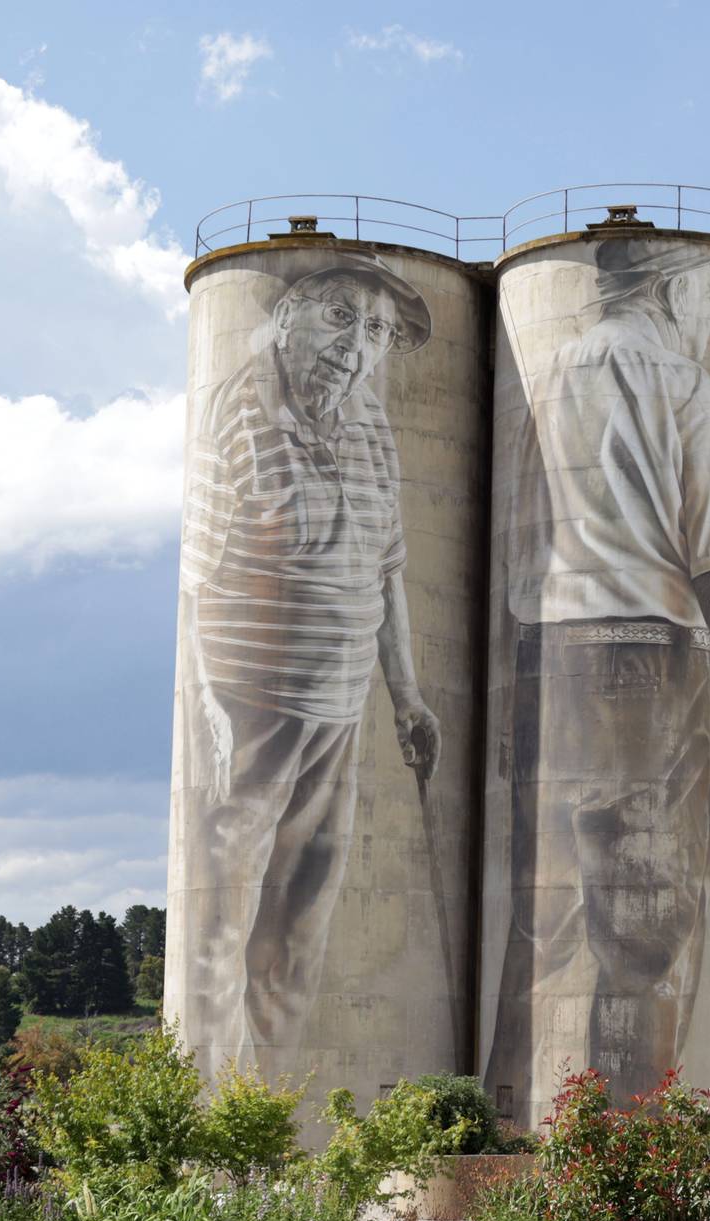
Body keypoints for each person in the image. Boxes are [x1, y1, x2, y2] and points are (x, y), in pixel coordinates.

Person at [488, 236, 710, 1111]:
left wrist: (509, 710)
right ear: (673, 290)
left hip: (551, 664)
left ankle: (513, 1128)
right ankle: (628, 1143)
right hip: (652, 663)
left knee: (546, 921)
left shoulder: (549, 383)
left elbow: (520, 562)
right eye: (706, 295)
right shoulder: (687, 386)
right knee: (647, 925)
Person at [177, 257, 441, 1066]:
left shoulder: (368, 422)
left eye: (375, 332)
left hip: (341, 705)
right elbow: (194, 582)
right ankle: (210, 1114)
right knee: (222, 917)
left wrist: (407, 696)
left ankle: (279, 1114)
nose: (354, 348)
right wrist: (210, 711)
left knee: (300, 919)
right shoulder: (236, 411)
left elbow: (386, 566)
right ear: (287, 314)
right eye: (338, 318)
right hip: (250, 703)